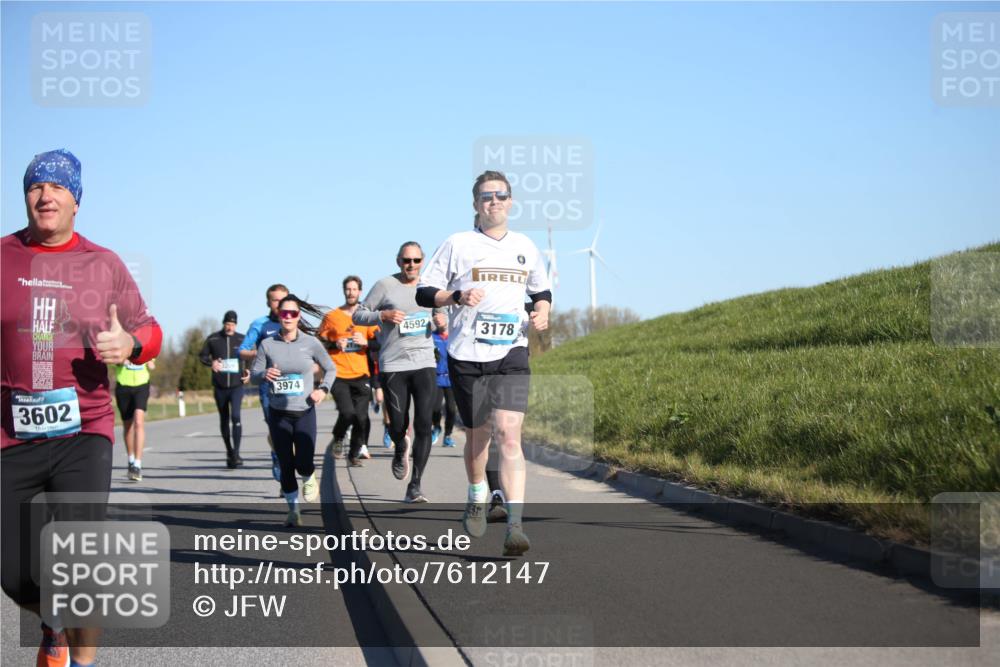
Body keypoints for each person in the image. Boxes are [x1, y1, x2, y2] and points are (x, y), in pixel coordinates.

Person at [1, 149, 162, 667]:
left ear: (76, 200)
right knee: (12, 572)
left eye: (56, 188)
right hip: (10, 435)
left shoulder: (103, 263)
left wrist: (132, 346)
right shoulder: (2, 258)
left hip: (83, 432)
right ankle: (53, 624)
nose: (45, 196)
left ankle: (83, 663)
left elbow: (150, 329)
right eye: (34, 187)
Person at [416, 169, 551, 557]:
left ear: (511, 202)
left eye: (501, 195)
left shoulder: (525, 246)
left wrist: (541, 312)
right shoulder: (458, 244)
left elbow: (541, 291)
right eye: (486, 197)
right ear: (475, 204)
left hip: (511, 351)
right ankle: (477, 492)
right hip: (467, 354)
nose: (494, 202)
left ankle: (515, 525)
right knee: (480, 436)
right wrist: (455, 297)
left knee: (510, 435)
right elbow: (426, 292)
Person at [354, 242, 442, 503]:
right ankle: (400, 444)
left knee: (425, 424)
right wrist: (383, 314)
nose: (411, 265)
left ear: (422, 261)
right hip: (394, 364)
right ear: (398, 261)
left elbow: (442, 310)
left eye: (416, 260)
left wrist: (441, 319)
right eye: (406, 260)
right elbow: (359, 315)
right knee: (398, 424)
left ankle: (415, 484)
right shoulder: (384, 285)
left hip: (424, 361)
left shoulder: (430, 285)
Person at [251, 294, 334, 527]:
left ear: (298, 316)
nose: (288, 317)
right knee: (286, 464)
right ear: (279, 315)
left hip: (305, 411)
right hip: (278, 413)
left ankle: (308, 475)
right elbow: (255, 376)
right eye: (284, 313)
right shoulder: (267, 345)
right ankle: (293, 509)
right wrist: (263, 374)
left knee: (304, 461)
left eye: (293, 313)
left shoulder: (310, 343)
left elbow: (331, 369)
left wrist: (322, 390)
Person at [318, 276, 378, 465]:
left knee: (361, 418)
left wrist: (366, 342)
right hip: (339, 374)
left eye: (354, 289)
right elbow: (318, 342)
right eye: (348, 289)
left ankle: (353, 453)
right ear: (344, 291)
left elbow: (380, 343)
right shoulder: (332, 317)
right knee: (347, 413)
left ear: (360, 291)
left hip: (361, 375)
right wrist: (334, 343)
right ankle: (338, 437)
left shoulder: (367, 317)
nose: (351, 292)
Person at [239, 284, 289, 488]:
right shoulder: (260, 324)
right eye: (275, 300)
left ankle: (288, 470)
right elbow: (242, 351)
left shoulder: (295, 322)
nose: (279, 304)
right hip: (268, 383)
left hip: (291, 382)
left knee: (291, 428)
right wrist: (262, 352)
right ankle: (277, 454)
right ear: (268, 302)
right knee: (275, 427)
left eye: (282, 299)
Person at [200, 310, 247, 469]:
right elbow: (202, 356)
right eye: (227, 324)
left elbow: (251, 357)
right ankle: (229, 450)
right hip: (220, 387)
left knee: (236, 416)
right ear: (223, 323)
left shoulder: (242, 339)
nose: (230, 327)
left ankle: (237, 453)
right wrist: (211, 363)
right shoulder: (213, 338)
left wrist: (248, 372)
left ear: (236, 325)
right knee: (224, 419)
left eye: (233, 324)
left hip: (236, 386)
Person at [113, 357, 155, 481]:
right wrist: (120, 361)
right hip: (123, 385)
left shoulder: (144, 340)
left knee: (138, 421)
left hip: (142, 385)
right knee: (128, 426)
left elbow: (151, 357)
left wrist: (150, 362)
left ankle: (137, 464)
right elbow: (110, 359)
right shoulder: (120, 338)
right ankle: (131, 459)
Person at [431, 312, 457, 448]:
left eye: (441, 318)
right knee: (435, 408)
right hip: (437, 377)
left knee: (451, 409)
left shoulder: (454, 335)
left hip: (452, 378)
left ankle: (448, 435)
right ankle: (436, 426)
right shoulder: (431, 337)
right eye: (436, 319)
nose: (438, 320)